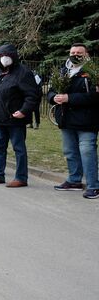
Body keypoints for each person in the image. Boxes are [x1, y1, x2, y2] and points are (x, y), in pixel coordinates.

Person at [0, 44, 40, 188]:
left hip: (15, 118)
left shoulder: (23, 72)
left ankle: (21, 177)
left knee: (18, 148)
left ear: (14, 56)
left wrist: (23, 111)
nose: (4, 58)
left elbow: (32, 96)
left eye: (7, 55)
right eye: (1, 56)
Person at [47, 43, 99, 199]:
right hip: (66, 119)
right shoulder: (64, 70)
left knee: (87, 152)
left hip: (87, 120)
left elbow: (95, 97)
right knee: (70, 152)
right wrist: (52, 97)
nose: (75, 54)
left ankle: (93, 186)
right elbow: (51, 90)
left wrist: (70, 98)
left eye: (79, 52)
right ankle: (74, 180)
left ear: (86, 54)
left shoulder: (93, 72)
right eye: (73, 52)